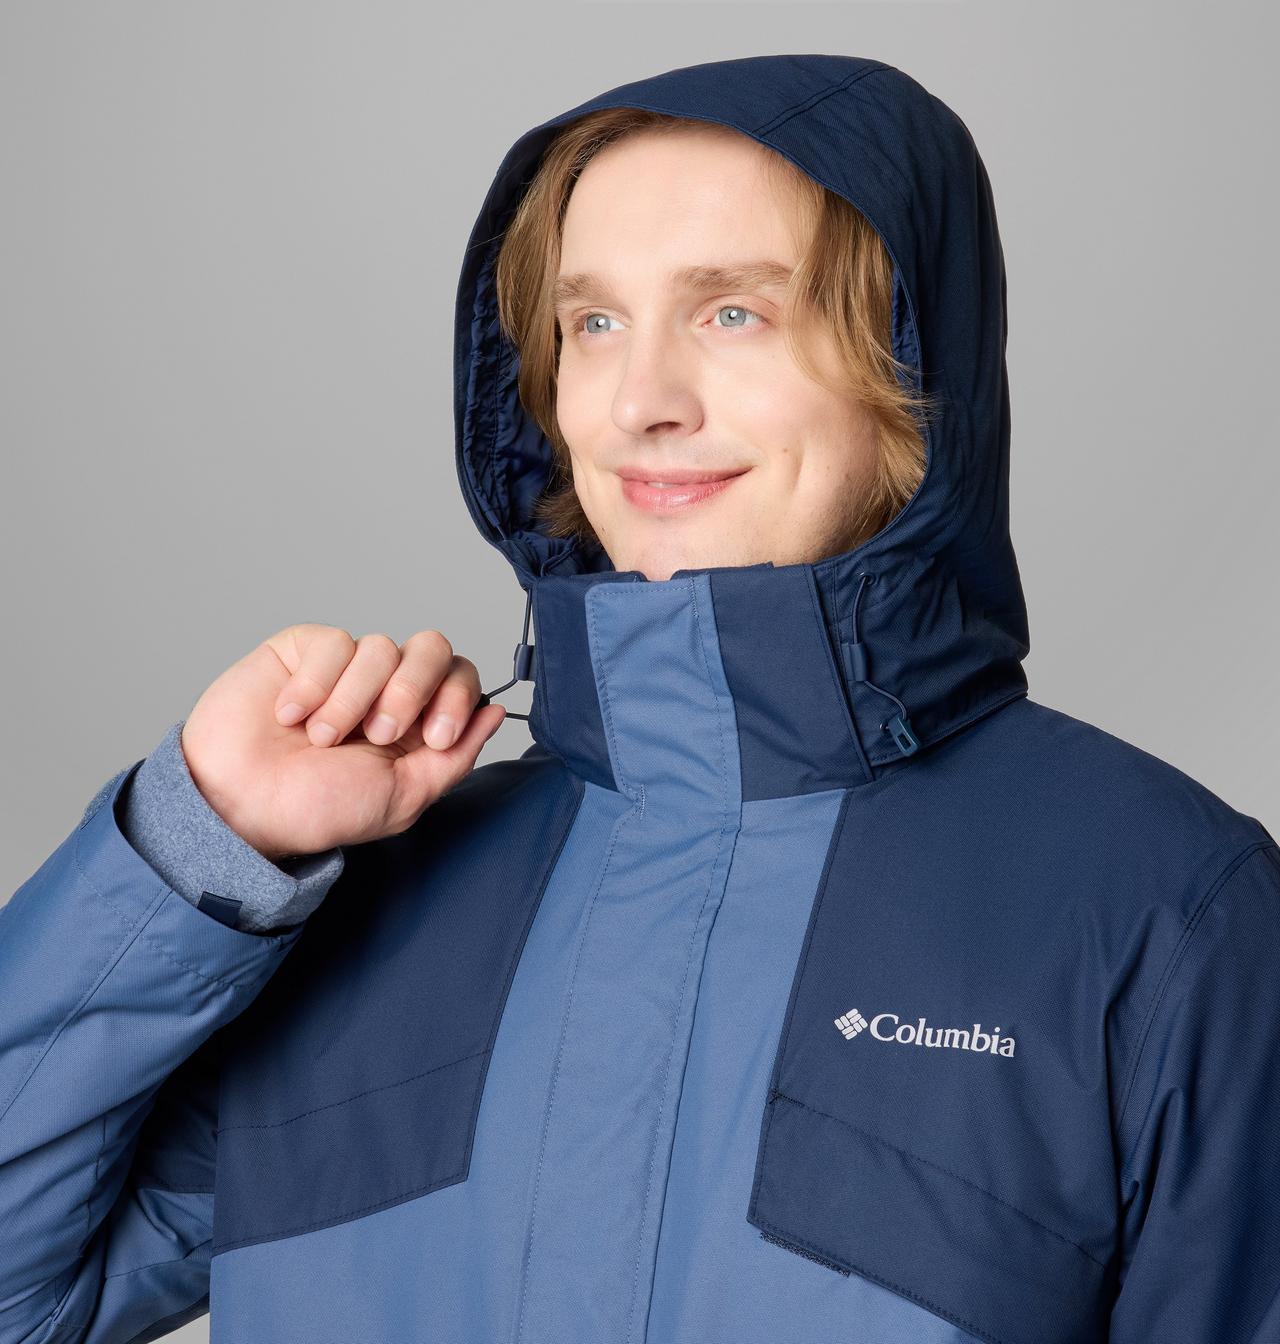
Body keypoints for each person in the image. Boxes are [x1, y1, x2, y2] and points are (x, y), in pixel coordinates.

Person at [1, 52, 1276, 1344]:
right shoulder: (370, 891)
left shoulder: (1165, 908)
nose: (640, 403)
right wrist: (196, 841)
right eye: (594, 324)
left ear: (910, 362)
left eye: (734, 314)